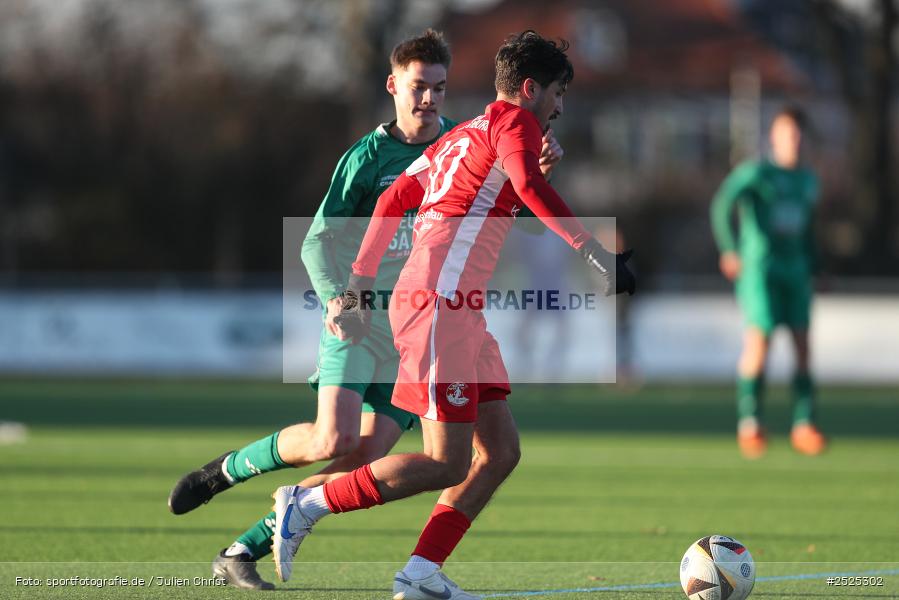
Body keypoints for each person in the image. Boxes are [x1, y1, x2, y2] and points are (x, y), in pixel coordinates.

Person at [166, 29, 564, 591]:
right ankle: (227, 471)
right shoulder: (367, 157)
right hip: (358, 316)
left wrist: (538, 175)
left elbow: (492, 216)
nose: (429, 100)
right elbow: (316, 240)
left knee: (371, 455)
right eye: (418, 88)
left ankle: (242, 548)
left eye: (440, 89)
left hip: (420, 325)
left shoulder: (461, 140)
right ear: (393, 86)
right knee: (335, 440)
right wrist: (339, 297)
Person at [271, 31, 635, 600]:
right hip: (439, 305)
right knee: (446, 461)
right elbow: (526, 186)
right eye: (558, 94)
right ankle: (308, 502)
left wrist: (362, 283)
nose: (560, 108)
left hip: (455, 308)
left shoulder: (466, 133)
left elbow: (398, 201)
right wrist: (593, 251)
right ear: (530, 89)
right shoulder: (514, 123)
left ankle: (419, 575)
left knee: (502, 453)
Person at [710, 105, 826, 459]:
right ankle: (751, 424)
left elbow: (808, 229)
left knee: (803, 346)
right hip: (760, 270)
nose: (795, 141)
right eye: (788, 134)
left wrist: (816, 267)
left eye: (799, 134)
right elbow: (721, 204)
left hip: (796, 270)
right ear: (774, 138)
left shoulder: (809, 181)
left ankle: (804, 425)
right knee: (760, 344)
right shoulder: (756, 173)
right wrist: (730, 249)